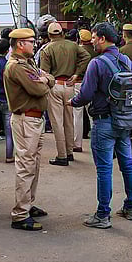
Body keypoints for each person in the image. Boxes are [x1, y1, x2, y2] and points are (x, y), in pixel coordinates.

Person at [71, 22, 132, 229]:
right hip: (125, 121)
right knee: (127, 164)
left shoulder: (97, 63)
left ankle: (103, 214)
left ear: (102, 38)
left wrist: (72, 102)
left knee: (104, 169)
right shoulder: (128, 61)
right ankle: (131, 207)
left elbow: (86, 94)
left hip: (104, 122)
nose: (92, 41)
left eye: (93, 38)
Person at [4, 28, 55, 231]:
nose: (34, 44)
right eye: (31, 42)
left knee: (33, 165)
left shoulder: (28, 63)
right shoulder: (17, 67)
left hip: (34, 120)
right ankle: (20, 214)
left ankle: (27, 204)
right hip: (26, 120)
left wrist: (46, 80)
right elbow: (39, 88)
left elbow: (48, 78)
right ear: (20, 44)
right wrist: (45, 82)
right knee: (26, 166)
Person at [40, 22, 90, 165]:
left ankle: (62, 156)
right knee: (69, 120)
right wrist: (76, 74)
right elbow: (86, 56)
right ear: (62, 33)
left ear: (49, 35)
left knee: (57, 122)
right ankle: (69, 152)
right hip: (69, 86)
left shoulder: (46, 49)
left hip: (55, 85)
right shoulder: (73, 45)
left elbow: (45, 73)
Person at [73, 29, 96, 152]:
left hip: (78, 83)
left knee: (77, 114)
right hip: (92, 83)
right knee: (92, 113)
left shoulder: (77, 51)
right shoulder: (96, 51)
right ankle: (95, 141)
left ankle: (77, 144)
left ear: (80, 39)